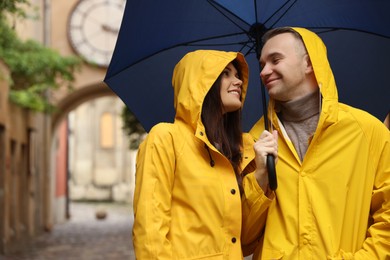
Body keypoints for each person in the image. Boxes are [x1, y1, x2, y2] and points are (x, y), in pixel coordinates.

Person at [241, 27, 390, 259]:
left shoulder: (368, 131)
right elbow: (244, 240)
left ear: (308, 63)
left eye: (275, 60)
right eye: (262, 65)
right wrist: (260, 181)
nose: (264, 72)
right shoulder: (255, 139)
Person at [132, 50, 259, 259]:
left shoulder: (240, 149)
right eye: (226, 73)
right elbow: (150, 230)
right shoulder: (166, 138)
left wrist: (262, 174)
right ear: (201, 82)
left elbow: (243, 238)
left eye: (237, 75)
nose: (238, 81)